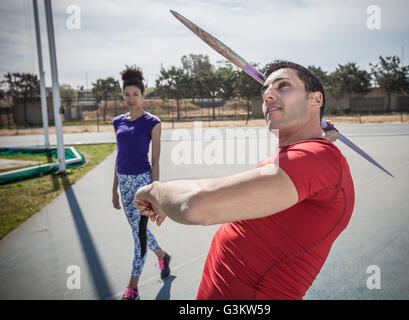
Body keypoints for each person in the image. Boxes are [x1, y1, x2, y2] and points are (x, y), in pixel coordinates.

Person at [134, 60, 354, 299]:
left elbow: (194, 205)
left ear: (315, 99)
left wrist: (155, 190)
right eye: (266, 90)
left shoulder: (316, 157)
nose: (268, 94)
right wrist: (318, 135)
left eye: (283, 85)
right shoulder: (310, 155)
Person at [112, 65, 171, 300]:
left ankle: (133, 287)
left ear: (143, 95)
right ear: (123, 95)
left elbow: (155, 160)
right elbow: (119, 156)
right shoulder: (117, 122)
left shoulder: (152, 122)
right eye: (127, 94)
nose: (131, 98)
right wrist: (114, 189)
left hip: (143, 184)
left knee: (140, 235)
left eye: (136, 94)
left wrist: (155, 193)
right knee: (138, 232)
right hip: (123, 183)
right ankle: (162, 256)